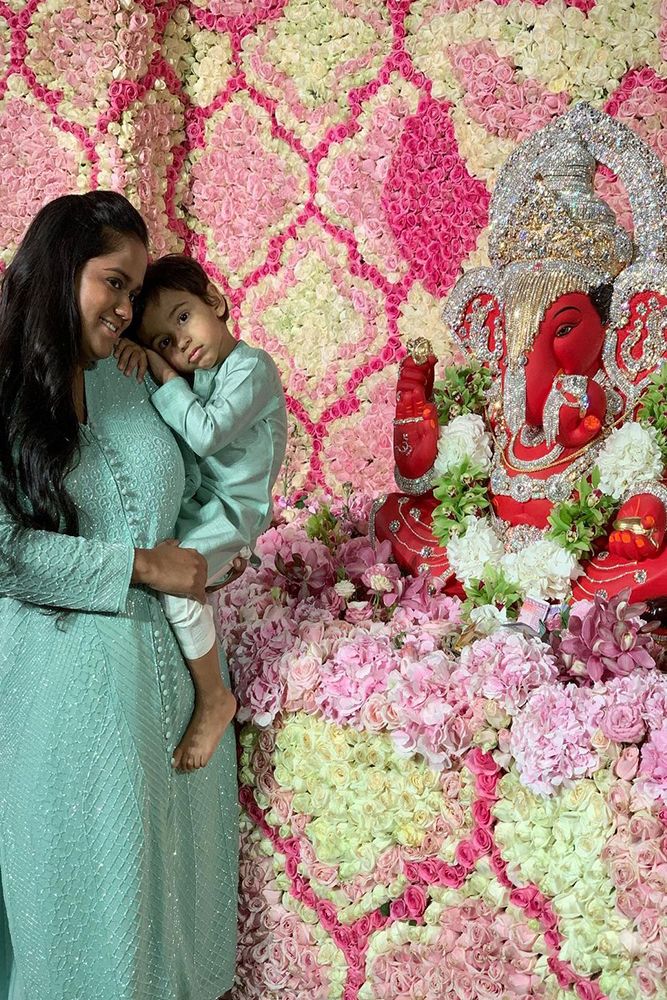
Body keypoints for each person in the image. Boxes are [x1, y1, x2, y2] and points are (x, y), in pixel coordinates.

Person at [0, 193, 238, 1000]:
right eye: (114, 283)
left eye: (137, 290)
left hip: (176, 707)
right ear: (63, 269)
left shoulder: (140, 377)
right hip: (63, 707)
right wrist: (138, 567)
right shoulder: (4, 388)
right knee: (83, 929)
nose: (129, 309)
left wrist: (210, 556)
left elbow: (206, 489)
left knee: (173, 934)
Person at [115, 254, 288, 772]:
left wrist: (163, 371)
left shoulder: (252, 367)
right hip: (201, 499)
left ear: (215, 303)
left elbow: (206, 432)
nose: (181, 342)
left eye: (184, 317)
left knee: (176, 583)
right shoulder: (204, 372)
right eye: (163, 341)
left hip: (234, 511)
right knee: (159, 568)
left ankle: (215, 698)